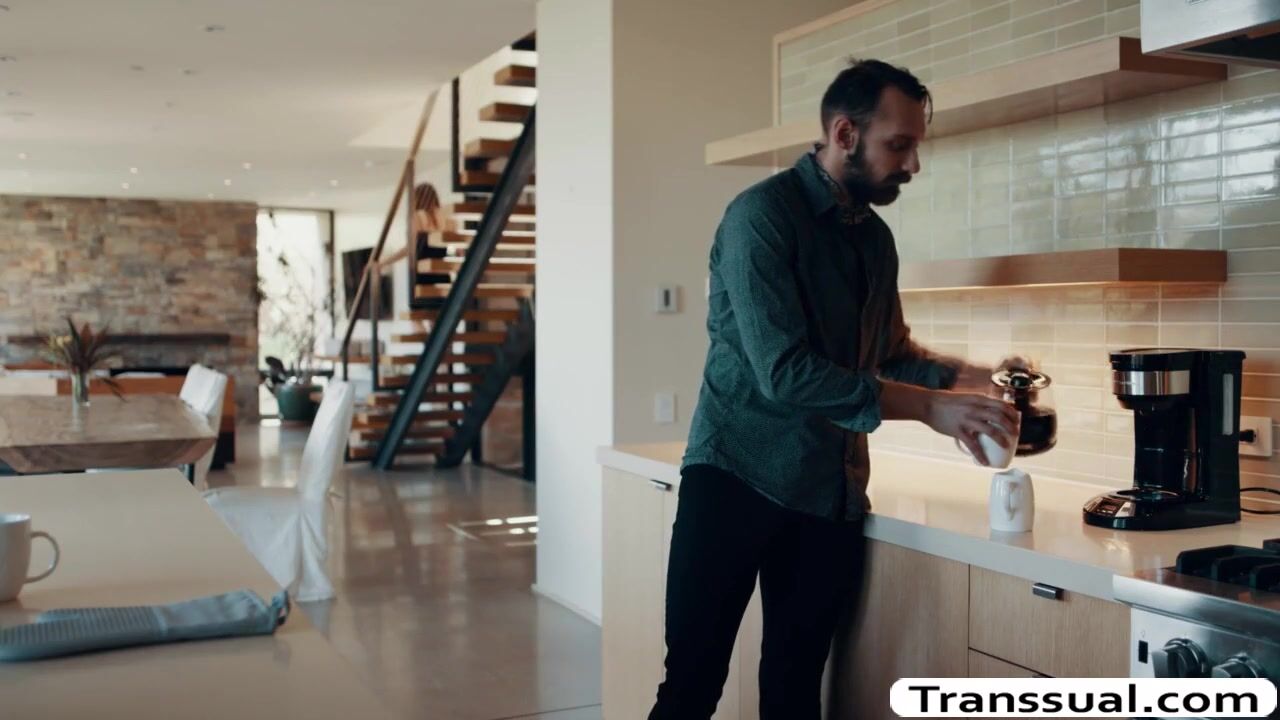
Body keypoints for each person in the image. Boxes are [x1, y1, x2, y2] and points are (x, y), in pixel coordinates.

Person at [651, 59, 1022, 719]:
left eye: (915, 147)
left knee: (796, 692)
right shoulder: (760, 216)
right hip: (736, 476)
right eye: (898, 145)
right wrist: (929, 409)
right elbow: (784, 371)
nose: (912, 165)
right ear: (845, 134)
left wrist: (970, 379)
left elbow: (890, 352)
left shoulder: (874, 240)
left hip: (829, 493)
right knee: (691, 687)